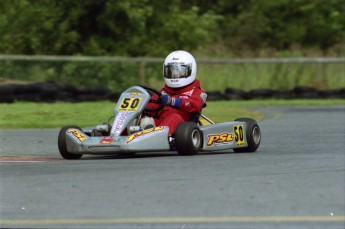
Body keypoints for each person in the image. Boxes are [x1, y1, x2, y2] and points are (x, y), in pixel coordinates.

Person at [143, 50, 207, 136]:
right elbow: (151, 108)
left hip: (183, 129)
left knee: (174, 117)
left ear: (190, 70)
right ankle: (120, 136)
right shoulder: (164, 91)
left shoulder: (197, 91)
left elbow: (195, 105)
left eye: (179, 71)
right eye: (171, 71)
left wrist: (173, 101)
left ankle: (157, 137)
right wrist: (141, 106)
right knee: (139, 118)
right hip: (159, 125)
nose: (174, 74)